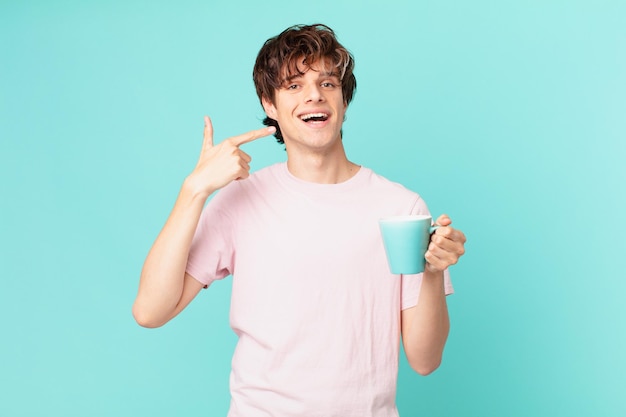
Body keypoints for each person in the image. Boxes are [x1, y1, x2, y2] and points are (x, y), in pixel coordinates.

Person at [133, 23, 467, 417]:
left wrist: (431, 272)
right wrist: (194, 191)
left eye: (328, 83)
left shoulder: (401, 208)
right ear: (269, 106)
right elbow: (151, 311)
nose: (314, 95)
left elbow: (425, 361)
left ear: (343, 98)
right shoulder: (242, 200)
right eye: (294, 85)